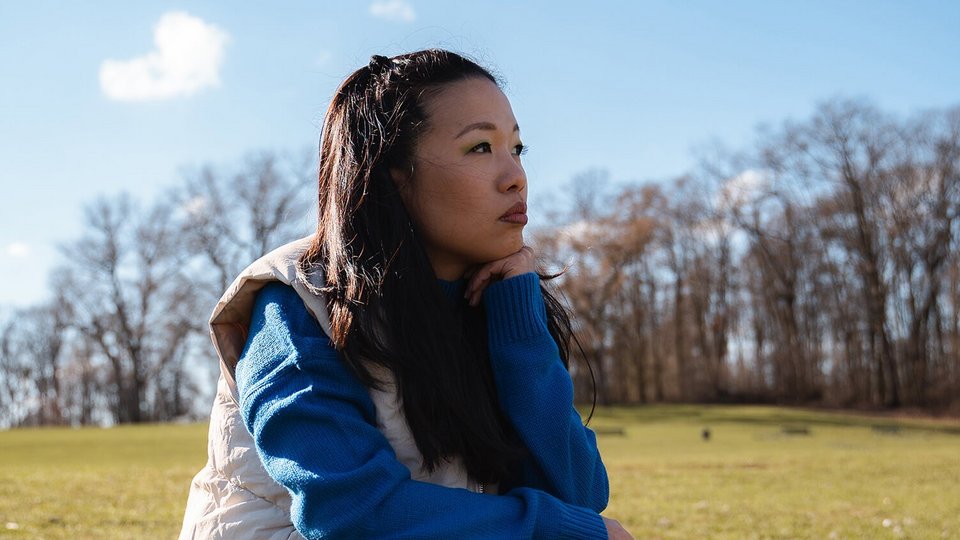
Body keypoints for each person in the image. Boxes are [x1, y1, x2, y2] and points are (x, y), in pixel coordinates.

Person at [179, 49, 633, 539]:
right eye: (480, 147)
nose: (515, 177)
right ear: (394, 173)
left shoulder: (486, 301)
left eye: (517, 149)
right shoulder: (298, 304)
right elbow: (351, 513)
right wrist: (551, 531)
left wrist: (519, 327)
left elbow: (580, 494)